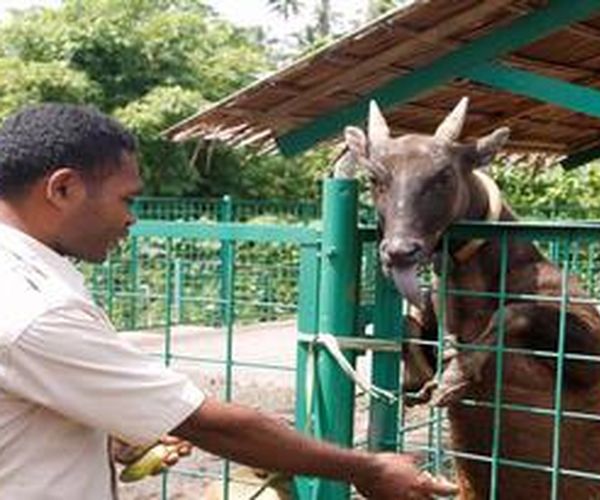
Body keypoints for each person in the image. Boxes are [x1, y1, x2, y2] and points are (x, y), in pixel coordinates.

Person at [0, 103, 457, 500]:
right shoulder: (36, 309)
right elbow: (210, 423)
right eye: (127, 199)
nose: (131, 219)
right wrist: (370, 469)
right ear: (62, 190)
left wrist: (106, 429)